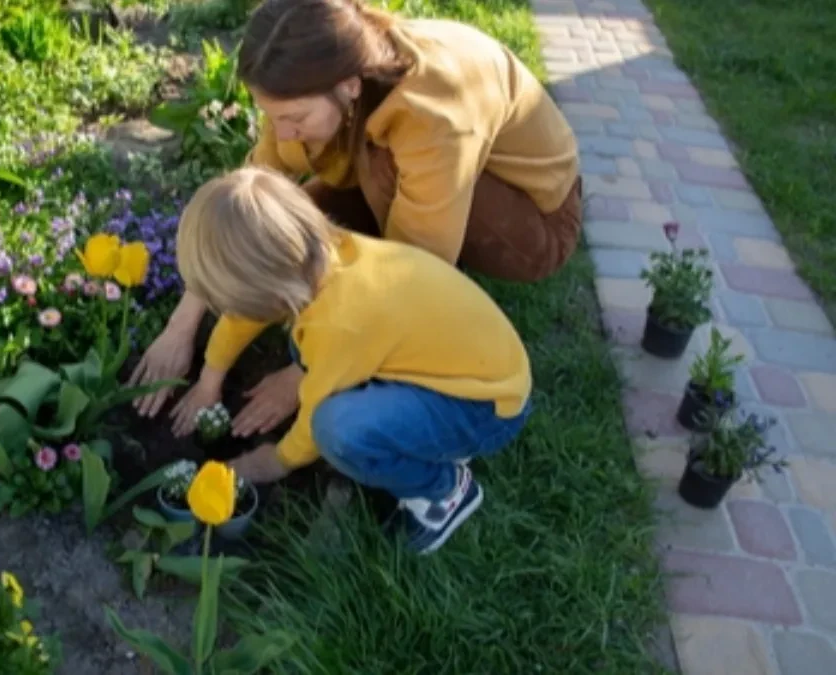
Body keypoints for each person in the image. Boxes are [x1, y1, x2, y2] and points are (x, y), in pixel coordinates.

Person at [129, 0, 579, 434]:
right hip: (394, 172)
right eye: (271, 117)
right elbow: (245, 213)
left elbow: (409, 280)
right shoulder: (304, 78)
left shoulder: (434, 111)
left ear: (349, 85)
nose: (281, 132)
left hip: (531, 219)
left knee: (372, 187)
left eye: (294, 118)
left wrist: (307, 374)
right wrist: (182, 326)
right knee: (278, 227)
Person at [175, 168, 532, 553]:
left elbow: (313, 419)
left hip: (487, 408)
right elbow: (245, 316)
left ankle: (443, 492)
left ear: (269, 289)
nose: (230, 311)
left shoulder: (340, 323)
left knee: (338, 430)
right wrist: (209, 379)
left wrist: (274, 462)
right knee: (307, 349)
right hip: (473, 364)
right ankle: (423, 431)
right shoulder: (324, 257)